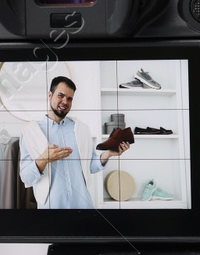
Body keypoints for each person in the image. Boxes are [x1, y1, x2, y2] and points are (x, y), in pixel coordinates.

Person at [18, 76, 126, 208]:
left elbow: (89, 166)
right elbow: (26, 177)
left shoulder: (81, 128)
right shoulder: (30, 132)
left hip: (83, 205)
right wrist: (44, 159)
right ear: (50, 95)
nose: (65, 101)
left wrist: (108, 153)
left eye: (69, 98)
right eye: (61, 95)